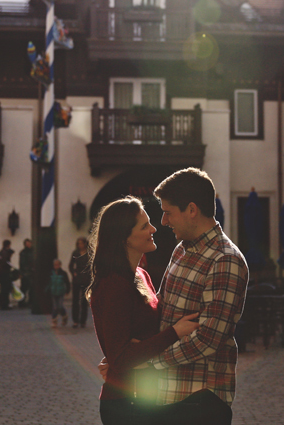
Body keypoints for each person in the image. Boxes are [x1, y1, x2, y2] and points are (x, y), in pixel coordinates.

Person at [100, 168, 249, 424]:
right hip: (167, 397)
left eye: (168, 212)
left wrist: (144, 362)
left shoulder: (225, 260)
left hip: (201, 398)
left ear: (191, 210)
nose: (164, 221)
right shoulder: (182, 249)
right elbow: (161, 307)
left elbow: (207, 340)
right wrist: (121, 354)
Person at [88, 197, 200, 425]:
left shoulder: (140, 275)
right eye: (144, 226)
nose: (153, 228)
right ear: (123, 238)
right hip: (125, 402)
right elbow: (121, 359)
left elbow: (129, 341)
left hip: (145, 397)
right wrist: (175, 332)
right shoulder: (114, 284)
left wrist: (127, 351)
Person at [69, 236, 90, 328]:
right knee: (75, 300)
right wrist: (73, 273)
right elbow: (71, 264)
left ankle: (83, 321)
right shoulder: (76, 253)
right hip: (77, 279)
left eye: (82, 243)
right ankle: (75, 320)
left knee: (84, 301)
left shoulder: (89, 253)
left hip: (86, 279)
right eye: (79, 243)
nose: (80, 245)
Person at [47, 259, 70, 327]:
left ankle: (64, 316)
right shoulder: (51, 273)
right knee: (55, 307)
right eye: (55, 265)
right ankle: (54, 320)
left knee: (59, 306)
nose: (56, 266)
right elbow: (49, 282)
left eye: (57, 265)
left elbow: (67, 282)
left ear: (60, 265)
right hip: (53, 292)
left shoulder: (63, 273)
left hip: (60, 292)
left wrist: (67, 290)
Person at [18, 238, 35, 309]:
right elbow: (22, 263)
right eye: (27, 243)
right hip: (25, 272)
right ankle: (21, 302)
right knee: (24, 288)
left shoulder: (33, 251)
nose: (29, 244)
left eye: (29, 243)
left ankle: (30, 301)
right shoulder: (23, 252)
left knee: (32, 288)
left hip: (31, 272)